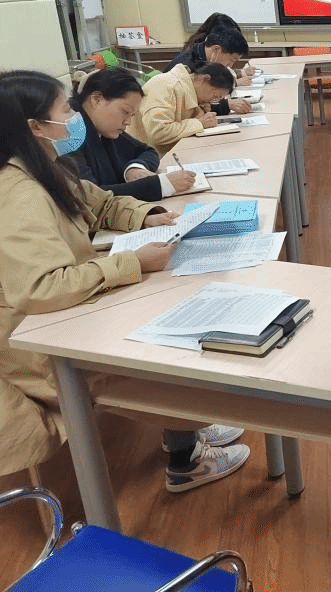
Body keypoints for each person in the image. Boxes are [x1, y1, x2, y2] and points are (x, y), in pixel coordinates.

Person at [0, 70, 249, 491]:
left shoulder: (46, 167)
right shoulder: (19, 193)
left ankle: (186, 430)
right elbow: (41, 288)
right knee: (164, 345)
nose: (74, 118)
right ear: (36, 126)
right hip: (36, 339)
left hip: (65, 309)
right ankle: (186, 457)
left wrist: (145, 215)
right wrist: (130, 262)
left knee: (170, 300)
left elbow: (100, 203)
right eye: (65, 110)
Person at [64, 67, 197, 201]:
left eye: (132, 115)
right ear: (97, 99)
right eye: (125, 111)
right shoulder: (69, 135)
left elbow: (148, 151)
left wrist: (134, 168)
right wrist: (162, 185)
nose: (128, 122)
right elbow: (92, 197)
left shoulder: (104, 128)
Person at [127, 61, 236, 156]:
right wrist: (200, 123)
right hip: (146, 157)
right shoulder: (166, 87)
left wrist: (201, 112)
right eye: (215, 96)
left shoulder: (190, 91)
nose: (212, 101)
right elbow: (159, 132)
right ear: (204, 79)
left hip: (171, 152)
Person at [164, 26, 253, 113]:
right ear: (216, 49)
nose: (230, 65)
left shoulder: (200, 56)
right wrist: (226, 105)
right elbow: (193, 105)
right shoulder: (189, 66)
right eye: (232, 59)